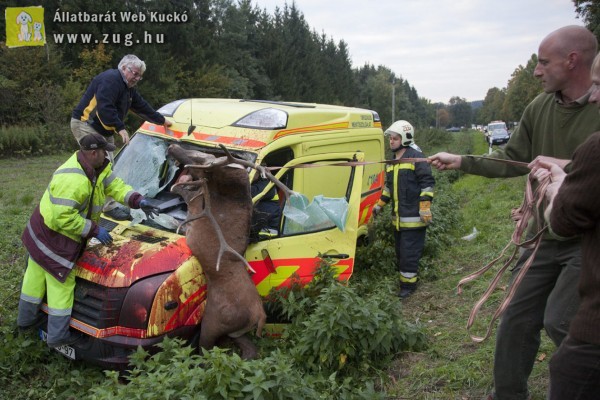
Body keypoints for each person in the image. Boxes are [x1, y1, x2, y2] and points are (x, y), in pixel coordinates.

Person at [429, 25, 600, 400]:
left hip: (586, 240)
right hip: (543, 235)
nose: (536, 71)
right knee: (515, 317)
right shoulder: (540, 107)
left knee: (562, 320)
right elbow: (514, 158)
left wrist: (564, 167)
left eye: (542, 62)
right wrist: (461, 159)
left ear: (572, 61)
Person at [16, 133, 159, 348]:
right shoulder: (74, 180)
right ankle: (57, 339)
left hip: (39, 234)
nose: (107, 154)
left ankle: (25, 323)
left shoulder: (97, 169)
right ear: (94, 153)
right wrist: (93, 229)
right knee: (61, 288)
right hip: (55, 240)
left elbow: (116, 186)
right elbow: (62, 217)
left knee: (33, 280)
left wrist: (138, 200)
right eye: (104, 151)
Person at [528, 52, 600, 400]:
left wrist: (558, 185)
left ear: (571, 60)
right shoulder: (539, 107)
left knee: (568, 359)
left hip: (594, 317)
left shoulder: (595, 147)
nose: (595, 97)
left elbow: (564, 220)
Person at [372, 120, 435, 299]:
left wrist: (424, 207)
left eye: (395, 138)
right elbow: (388, 188)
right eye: (390, 138)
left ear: (405, 138)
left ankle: (409, 287)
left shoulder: (417, 157)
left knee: (409, 255)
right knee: (401, 254)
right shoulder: (392, 163)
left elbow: (428, 184)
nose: (391, 141)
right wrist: (379, 206)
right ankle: (405, 282)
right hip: (398, 221)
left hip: (415, 220)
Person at [71, 54, 172, 157]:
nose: (137, 78)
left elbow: (142, 107)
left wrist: (162, 120)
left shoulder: (128, 88)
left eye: (140, 76)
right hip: (85, 123)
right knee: (98, 161)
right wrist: (120, 128)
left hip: (103, 130)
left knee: (108, 166)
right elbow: (105, 108)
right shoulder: (110, 80)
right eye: (135, 74)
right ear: (124, 68)